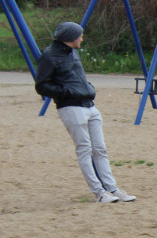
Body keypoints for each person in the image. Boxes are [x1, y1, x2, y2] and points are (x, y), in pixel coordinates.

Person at [34, 22, 136, 203]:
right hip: (71, 108)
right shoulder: (49, 56)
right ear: (70, 37)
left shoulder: (73, 52)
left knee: (100, 149)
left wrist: (89, 88)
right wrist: (67, 93)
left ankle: (112, 188)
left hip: (89, 105)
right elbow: (41, 86)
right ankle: (99, 192)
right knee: (84, 149)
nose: (82, 38)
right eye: (80, 35)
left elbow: (77, 78)